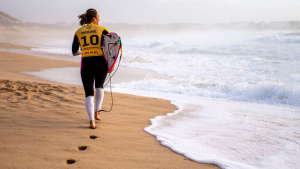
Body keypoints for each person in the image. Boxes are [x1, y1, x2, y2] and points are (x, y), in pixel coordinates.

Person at [72, 8, 109, 129]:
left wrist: (85, 50)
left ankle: (91, 121)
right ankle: (97, 112)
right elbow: (110, 49)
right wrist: (111, 65)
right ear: (94, 19)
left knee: (89, 93)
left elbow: (74, 52)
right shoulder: (103, 30)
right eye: (98, 17)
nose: (99, 19)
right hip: (100, 62)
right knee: (100, 86)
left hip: (87, 62)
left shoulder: (79, 31)